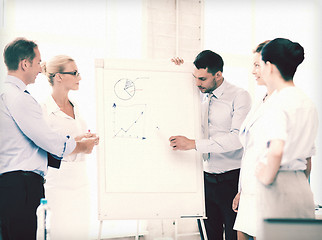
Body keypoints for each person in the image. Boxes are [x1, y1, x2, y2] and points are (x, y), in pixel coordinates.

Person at [0, 38, 99, 240]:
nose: (40, 68)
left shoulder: (8, 94)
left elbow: (35, 140)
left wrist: (74, 141)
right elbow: (48, 141)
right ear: (24, 64)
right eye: (37, 63)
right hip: (22, 184)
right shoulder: (21, 98)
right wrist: (80, 146)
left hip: (21, 184)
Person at [169, 50, 252, 240]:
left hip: (231, 178)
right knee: (208, 235)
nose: (197, 83)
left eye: (203, 79)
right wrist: (174, 67)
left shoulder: (240, 96)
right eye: (195, 78)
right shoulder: (197, 93)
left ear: (218, 75)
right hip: (204, 179)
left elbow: (237, 139)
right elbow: (172, 93)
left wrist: (193, 144)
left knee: (233, 236)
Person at [254, 38, 318, 238]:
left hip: (278, 184)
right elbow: (308, 159)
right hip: (302, 187)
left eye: (261, 64)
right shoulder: (307, 101)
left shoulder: (278, 102)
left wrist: (265, 176)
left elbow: (277, 149)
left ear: (269, 66)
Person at [41, 55, 98, 240]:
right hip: (58, 184)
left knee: (81, 232)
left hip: (81, 181)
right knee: (60, 233)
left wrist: (84, 140)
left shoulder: (76, 107)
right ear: (58, 77)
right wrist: (80, 146)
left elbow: (69, 139)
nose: (79, 77)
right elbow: (46, 147)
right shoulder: (43, 110)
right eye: (74, 73)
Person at [232, 40, 271, 240]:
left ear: (271, 66)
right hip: (249, 193)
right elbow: (250, 152)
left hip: (269, 197)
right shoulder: (261, 99)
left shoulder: (286, 103)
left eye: (257, 65)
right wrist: (242, 191)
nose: (253, 71)